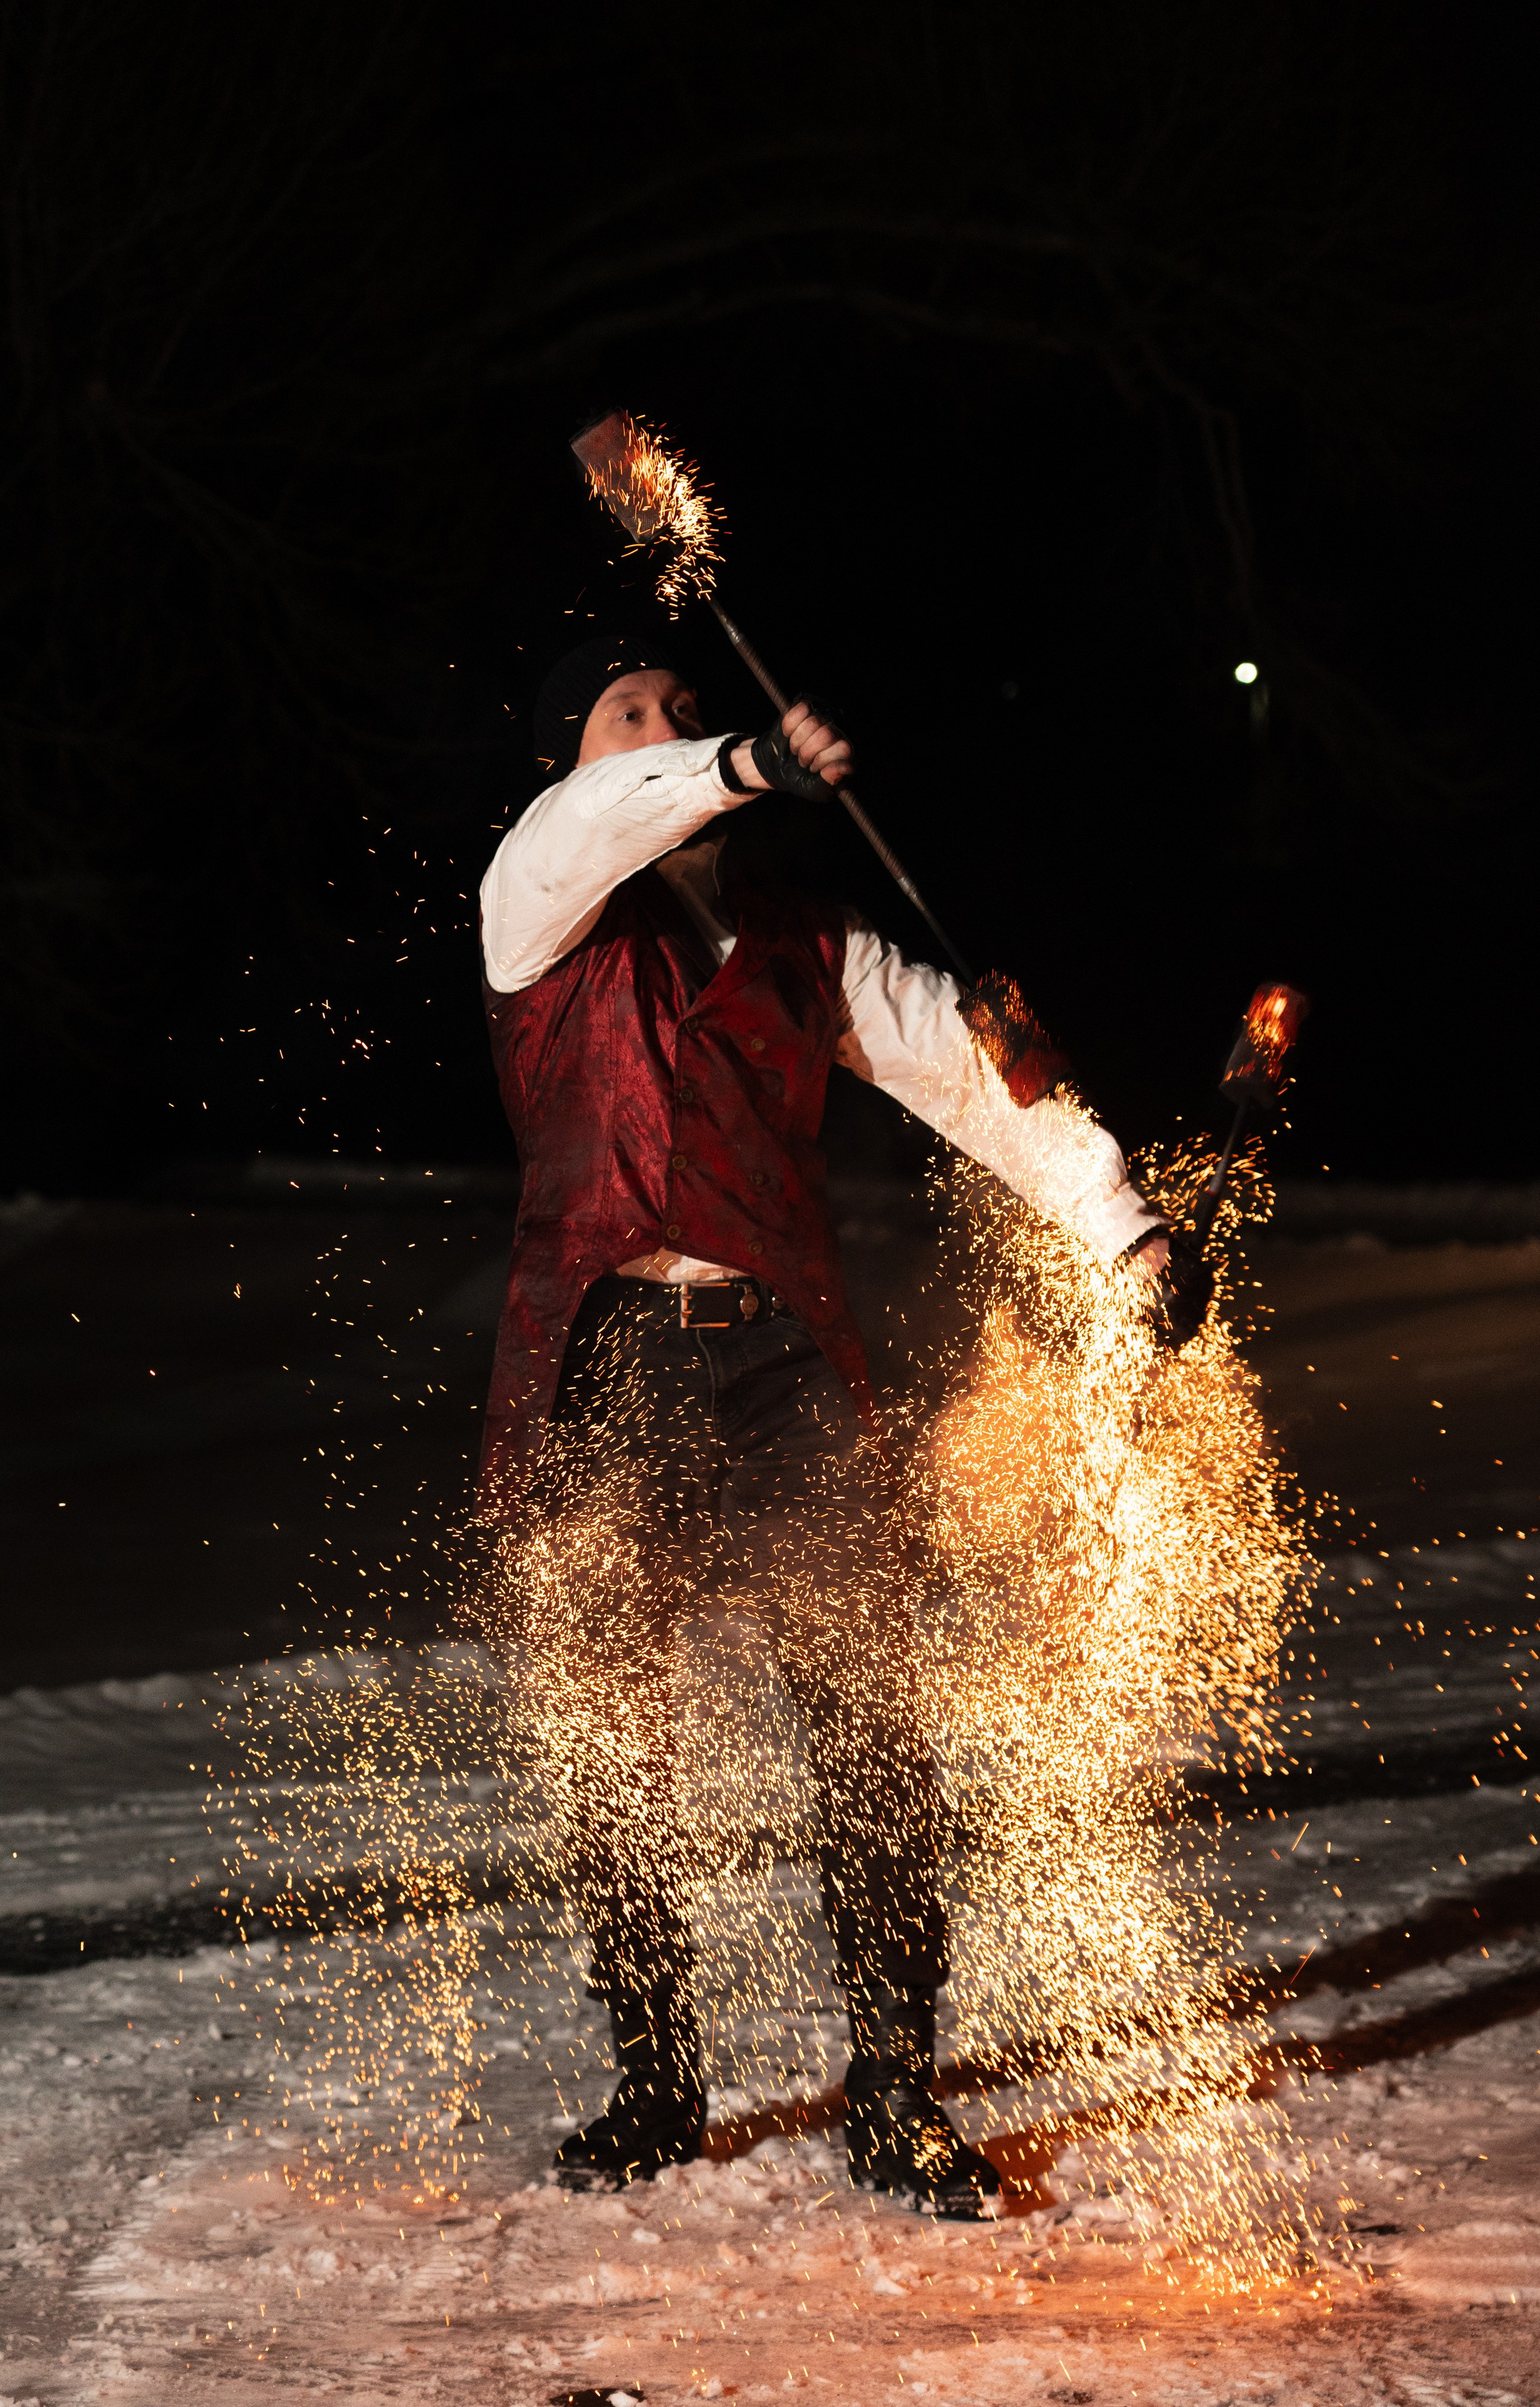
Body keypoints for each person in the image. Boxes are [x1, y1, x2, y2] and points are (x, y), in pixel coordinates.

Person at [476, 630, 1174, 2215]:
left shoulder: (807, 938)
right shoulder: (539, 899)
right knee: (610, 1738)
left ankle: (891, 2090)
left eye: (684, 709)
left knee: (869, 1716)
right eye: (625, 717)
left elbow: (968, 1071)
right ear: (567, 761)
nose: (665, 729)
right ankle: (654, 2080)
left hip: (781, 1357)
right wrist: (730, 763)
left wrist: (1120, 1224)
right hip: (604, 1361)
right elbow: (594, 825)